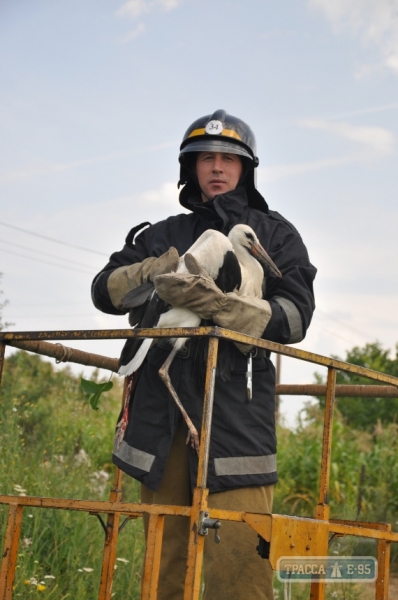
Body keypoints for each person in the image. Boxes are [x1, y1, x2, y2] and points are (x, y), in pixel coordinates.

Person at [91, 109, 316, 600]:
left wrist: (229, 309)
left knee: (239, 566)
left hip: (237, 416)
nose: (217, 167)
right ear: (189, 168)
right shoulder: (162, 233)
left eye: (228, 159)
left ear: (245, 169)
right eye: (206, 158)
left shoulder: (274, 235)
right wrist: (160, 269)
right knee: (163, 565)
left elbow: (297, 315)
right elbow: (104, 292)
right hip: (160, 414)